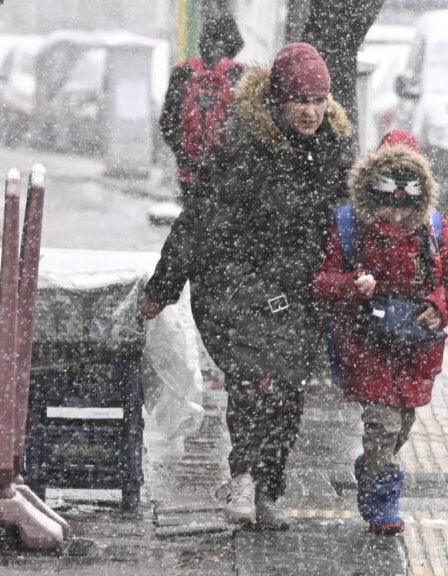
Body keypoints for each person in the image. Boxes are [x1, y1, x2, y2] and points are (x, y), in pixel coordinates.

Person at [140, 42, 356, 529]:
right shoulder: (240, 149)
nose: (310, 112)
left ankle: (267, 488)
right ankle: (243, 477)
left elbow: (350, 222)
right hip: (234, 284)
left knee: (286, 392)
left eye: (319, 101)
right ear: (278, 99)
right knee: (256, 382)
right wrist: (164, 286)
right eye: (301, 100)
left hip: (298, 291)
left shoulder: (332, 153)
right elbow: (198, 222)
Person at [313, 130, 448, 534]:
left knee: (403, 424)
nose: (394, 218)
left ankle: (372, 469)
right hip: (365, 341)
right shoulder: (347, 225)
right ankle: (383, 503)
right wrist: (352, 284)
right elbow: (321, 281)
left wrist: (438, 306)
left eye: (404, 207)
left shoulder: (433, 228)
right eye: (384, 206)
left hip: (415, 345)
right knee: (382, 423)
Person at [159, 13, 246, 204]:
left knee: (194, 224)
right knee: (223, 228)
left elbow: (166, 124)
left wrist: (187, 158)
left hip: (189, 175)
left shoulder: (183, 71)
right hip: (227, 177)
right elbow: (247, 129)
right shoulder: (241, 74)